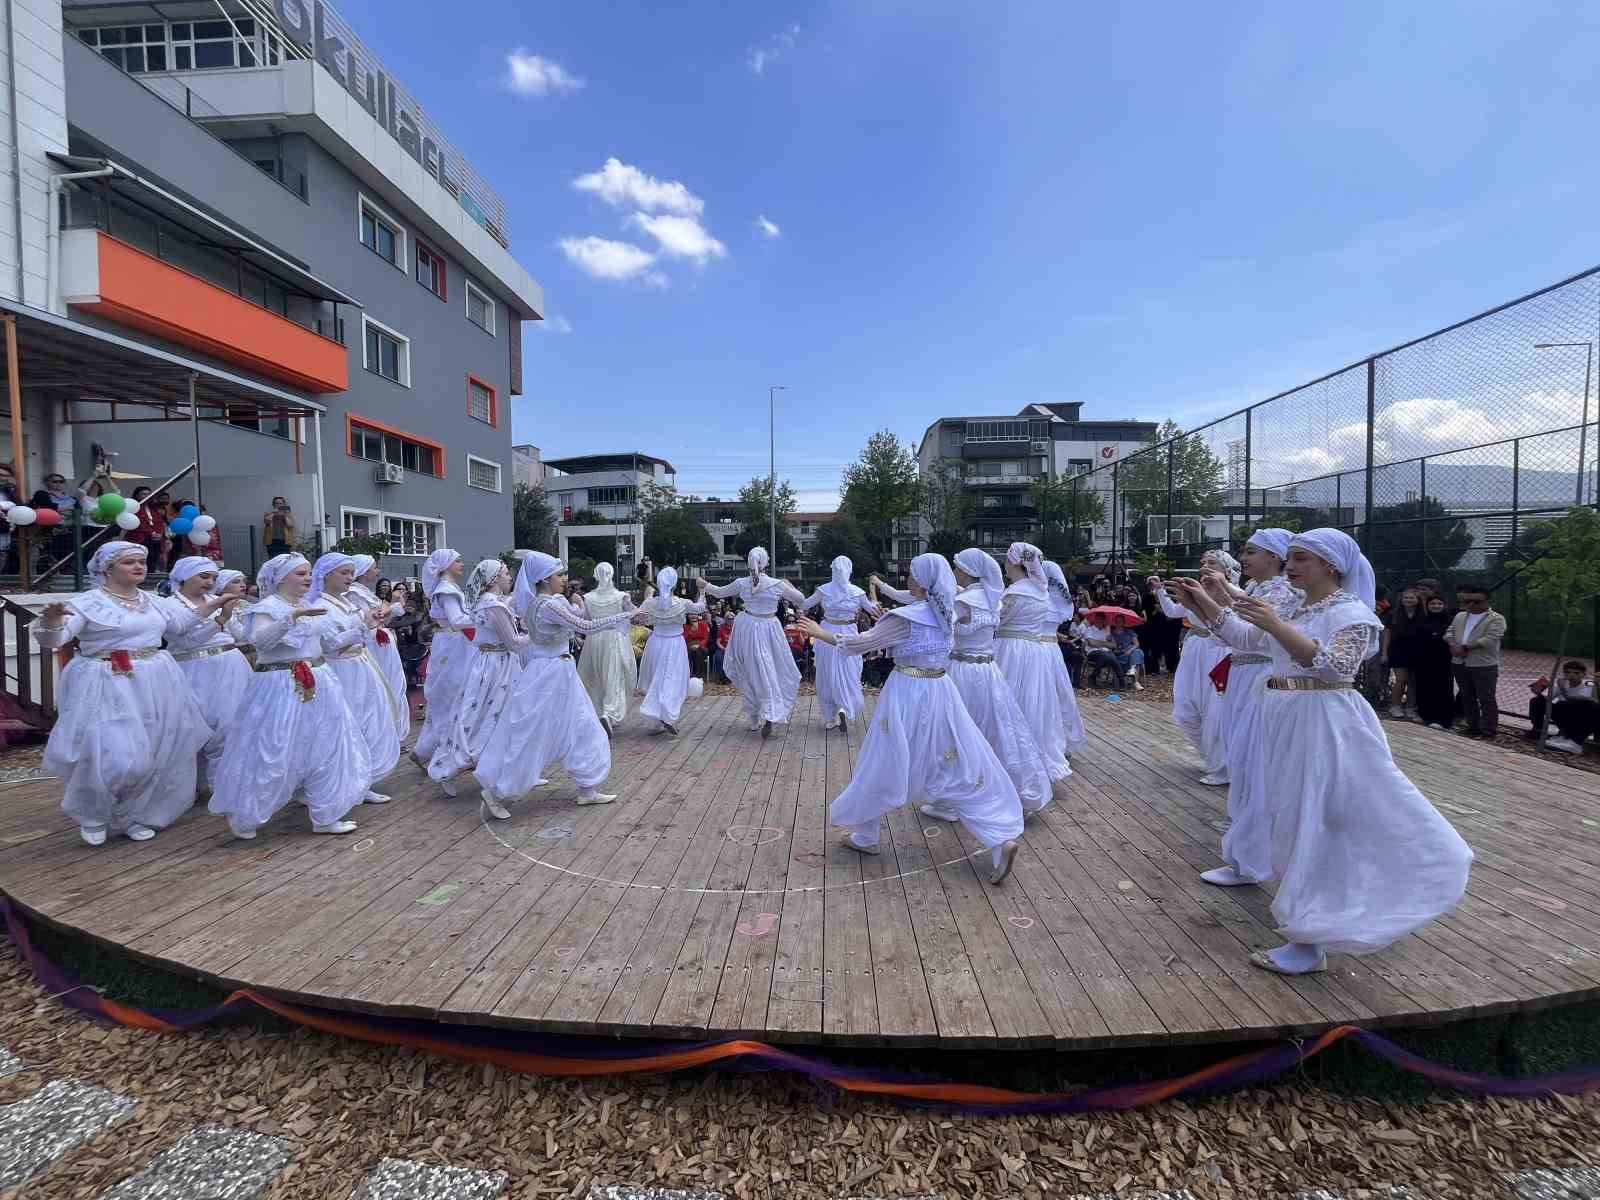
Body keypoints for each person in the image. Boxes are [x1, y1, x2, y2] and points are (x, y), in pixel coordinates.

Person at [1171, 529, 1472, 975]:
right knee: (1290, 816)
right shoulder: (1295, 605)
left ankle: (1310, 937)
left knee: (1313, 818)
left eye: (1301, 559)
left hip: (1323, 720)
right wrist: (1204, 600)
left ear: (1331, 566)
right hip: (1284, 715)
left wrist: (1274, 623)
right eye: (1289, 557)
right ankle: (1313, 920)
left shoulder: (1351, 612)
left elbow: (1337, 667)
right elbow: (1246, 639)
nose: (1290, 565)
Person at [793, 553, 1024, 884]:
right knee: (957, 766)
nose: (908, 579)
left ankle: (866, 835)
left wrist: (819, 632)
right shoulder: (946, 614)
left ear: (923, 580)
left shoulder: (906, 617)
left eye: (912, 574)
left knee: (882, 760)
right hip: (942, 691)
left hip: (907, 693)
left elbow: (861, 643)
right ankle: (998, 840)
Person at [31, 542, 228, 845]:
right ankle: (94, 813)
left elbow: (178, 626)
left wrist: (216, 606)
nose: (139, 567)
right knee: (117, 756)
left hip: (155, 679)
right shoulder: (88, 602)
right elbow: (56, 638)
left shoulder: (151, 600)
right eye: (129, 562)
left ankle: (132, 814)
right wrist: (51, 620)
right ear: (107, 568)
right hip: (107, 680)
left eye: (142, 562)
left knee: (155, 753)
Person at [208, 553, 372, 839]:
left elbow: (328, 643)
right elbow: (259, 641)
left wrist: (362, 626)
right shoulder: (266, 607)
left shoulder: (308, 604)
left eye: (309, 573)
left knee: (327, 743)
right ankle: (247, 814)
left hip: (319, 678)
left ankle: (326, 813)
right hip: (280, 683)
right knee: (271, 747)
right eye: (300, 573)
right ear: (281, 577)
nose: (308, 578)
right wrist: (289, 618)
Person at [474, 552, 647, 816]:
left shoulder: (535, 604)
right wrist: (625, 615)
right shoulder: (549, 605)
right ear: (545, 579)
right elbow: (584, 626)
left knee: (583, 726)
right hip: (551, 675)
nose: (564, 579)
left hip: (555, 671)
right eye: (559, 575)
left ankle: (588, 787)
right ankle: (497, 791)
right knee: (534, 734)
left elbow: (573, 619)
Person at [1173, 527, 1296, 888]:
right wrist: (1203, 600)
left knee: (1252, 762)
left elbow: (1246, 635)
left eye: (1251, 551)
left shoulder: (1280, 591)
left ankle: (1249, 858)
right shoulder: (1260, 589)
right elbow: (1233, 622)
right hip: (1245, 676)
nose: (1244, 558)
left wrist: (1205, 600)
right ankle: (1246, 843)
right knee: (1241, 758)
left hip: (1260, 677)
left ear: (1273, 557)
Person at [944, 547, 1054, 817]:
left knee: (967, 725)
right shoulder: (1016, 592)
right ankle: (1003, 783)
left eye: (957, 567)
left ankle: (964, 789)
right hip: (1004, 661)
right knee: (1004, 720)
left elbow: (948, 626)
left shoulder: (1002, 595)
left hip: (986, 658)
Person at [307, 552, 400, 804]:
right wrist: (361, 627)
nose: (350, 577)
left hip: (360, 664)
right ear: (326, 575)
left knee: (370, 719)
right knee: (348, 724)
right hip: (340, 668)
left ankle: (363, 780)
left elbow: (363, 635)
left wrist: (370, 624)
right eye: (344, 573)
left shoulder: (347, 603)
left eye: (351, 572)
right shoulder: (321, 606)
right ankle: (340, 783)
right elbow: (329, 645)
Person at [429, 559, 527, 794]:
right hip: (498, 666)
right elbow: (513, 643)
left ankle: (510, 768)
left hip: (488, 662)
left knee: (488, 715)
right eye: (504, 574)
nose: (509, 577)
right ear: (493, 579)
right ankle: (451, 767)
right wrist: (538, 634)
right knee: (487, 717)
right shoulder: (494, 606)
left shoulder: (486, 602)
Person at [991, 544, 1084, 783]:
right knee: (1037, 700)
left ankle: (1007, 756)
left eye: (1006, 560)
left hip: (1013, 650)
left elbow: (996, 621)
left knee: (1010, 700)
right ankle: (1037, 748)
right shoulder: (1041, 593)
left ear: (1014, 562)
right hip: (1035, 651)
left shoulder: (1016, 593)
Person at [1148, 548, 1240, 784]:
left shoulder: (1233, 594)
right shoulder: (1197, 591)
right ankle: (1212, 757)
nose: (1205, 565)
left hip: (1219, 651)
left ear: (1226, 570)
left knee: (1215, 711)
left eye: (1212, 562)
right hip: (1193, 651)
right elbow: (1172, 611)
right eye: (1203, 562)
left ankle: (1223, 767)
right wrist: (1160, 590)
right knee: (1186, 708)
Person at [161, 555, 250, 791]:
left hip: (230, 665)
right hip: (194, 667)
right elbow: (186, 641)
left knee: (231, 723)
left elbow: (239, 635)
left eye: (213, 577)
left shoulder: (215, 599)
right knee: (197, 726)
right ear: (184, 576)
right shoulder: (169, 605)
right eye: (204, 576)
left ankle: (221, 783)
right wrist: (219, 619)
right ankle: (194, 783)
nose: (210, 582)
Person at [700, 548, 807, 737]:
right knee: (769, 668)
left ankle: (756, 716)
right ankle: (769, 710)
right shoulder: (776, 584)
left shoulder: (741, 583)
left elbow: (718, 593)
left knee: (751, 671)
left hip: (747, 627)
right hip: (769, 627)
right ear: (765, 563)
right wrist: (788, 585)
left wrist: (704, 585)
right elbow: (801, 600)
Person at [410, 549, 473, 766]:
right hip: (453, 644)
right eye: (458, 561)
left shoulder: (449, 587)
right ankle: (436, 749)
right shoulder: (446, 589)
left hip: (456, 642)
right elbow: (456, 620)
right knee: (450, 694)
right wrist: (481, 615)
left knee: (451, 695)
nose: (461, 564)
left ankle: (427, 749)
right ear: (446, 565)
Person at [798, 557, 876, 731]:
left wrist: (790, 591)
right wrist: (874, 589)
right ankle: (844, 706)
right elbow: (873, 610)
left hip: (826, 632)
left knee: (826, 672)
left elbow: (804, 604)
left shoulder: (823, 590)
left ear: (833, 570)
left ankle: (830, 717)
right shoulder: (857, 592)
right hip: (848, 632)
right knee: (849, 672)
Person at [636, 566, 707, 735]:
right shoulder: (682, 603)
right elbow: (700, 607)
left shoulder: (650, 602)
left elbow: (638, 615)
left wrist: (647, 596)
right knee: (673, 681)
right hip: (674, 644)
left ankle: (657, 721)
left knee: (656, 680)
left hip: (655, 643)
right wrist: (702, 591)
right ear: (675, 585)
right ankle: (667, 715)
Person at [349, 554, 410, 741]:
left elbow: (383, 619)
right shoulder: (354, 594)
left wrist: (393, 606)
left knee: (393, 682)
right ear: (363, 570)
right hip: (373, 644)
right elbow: (367, 621)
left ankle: (393, 729)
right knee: (383, 683)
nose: (377, 571)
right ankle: (386, 731)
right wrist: (390, 607)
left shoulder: (365, 592)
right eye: (374, 567)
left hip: (382, 642)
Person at [576, 562, 637, 736]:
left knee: (594, 677)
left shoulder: (588, 598)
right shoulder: (621, 596)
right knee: (614, 677)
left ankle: (597, 713)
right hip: (613, 639)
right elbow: (633, 613)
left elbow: (586, 621)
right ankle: (609, 713)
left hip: (594, 639)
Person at [1445, 586, 1504, 739]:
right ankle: (1473, 727)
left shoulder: (1496, 618)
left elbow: (1490, 639)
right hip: (1459, 662)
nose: (1471, 605)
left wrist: (1465, 647)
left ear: (1487, 601)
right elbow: (1449, 632)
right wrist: (1453, 645)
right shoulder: (1460, 616)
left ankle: (1489, 730)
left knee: (1486, 697)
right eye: (1467, 601)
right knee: (1466, 696)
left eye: (1477, 602)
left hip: (1483, 664)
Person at [1528, 660, 1598, 753]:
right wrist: (1539, 693)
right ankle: (1539, 730)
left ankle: (1575, 742)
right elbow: (1548, 700)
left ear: (1584, 674)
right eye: (1567, 672)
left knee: (1577, 704)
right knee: (1537, 701)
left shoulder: (1588, 684)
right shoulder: (1564, 683)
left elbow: (1575, 700)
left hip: (1580, 718)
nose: (1572, 675)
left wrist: (1562, 689)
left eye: (1576, 673)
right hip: (1564, 716)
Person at [1412, 594, 1457, 730]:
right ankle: (1428, 717)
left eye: (1439, 604)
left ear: (1444, 606)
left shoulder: (1450, 621)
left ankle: (1444, 719)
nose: (1436, 606)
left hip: (1444, 661)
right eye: (1433, 604)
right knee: (1425, 688)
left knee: (1444, 689)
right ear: (1427, 605)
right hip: (1424, 661)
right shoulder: (1422, 621)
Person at [1383, 588, 1425, 719]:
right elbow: (1387, 635)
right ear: (1401, 599)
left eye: (1412, 598)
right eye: (1406, 597)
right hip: (1398, 651)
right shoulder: (1393, 614)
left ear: (1418, 601)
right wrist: (1384, 653)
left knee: (1414, 681)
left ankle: (1410, 707)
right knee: (1401, 679)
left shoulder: (1423, 615)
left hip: (1418, 652)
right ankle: (1395, 705)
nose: (1408, 600)